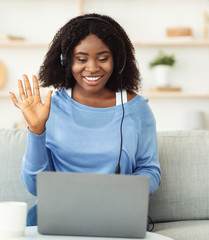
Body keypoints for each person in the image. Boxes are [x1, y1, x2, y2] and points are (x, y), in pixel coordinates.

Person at [10, 13, 161, 227]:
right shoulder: (51, 106)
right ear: (66, 61)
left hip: (118, 213)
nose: (92, 68)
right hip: (56, 212)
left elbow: (150, 168)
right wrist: (36, 129)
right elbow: (35, 186)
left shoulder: (137, 109)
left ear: (117, 60)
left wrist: (127, 192)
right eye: (81, 59)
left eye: (102, 58)